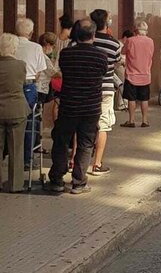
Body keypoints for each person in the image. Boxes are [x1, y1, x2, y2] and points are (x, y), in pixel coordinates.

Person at [48, 18, 108, 194]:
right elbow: (103, 73)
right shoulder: (100, 55)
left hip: (69, 105)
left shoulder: (67, 54)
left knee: (61, 141)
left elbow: (62, 72)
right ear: (93, 35)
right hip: (91, 107)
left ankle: (57, 180)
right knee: (85, 144)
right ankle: (79, 182)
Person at [90, 9, 121, 176]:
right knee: (103, 125)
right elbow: (116, 62)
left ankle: (74, 160)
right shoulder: (114, 44)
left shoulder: (86, 40)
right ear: (106, 22)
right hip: (106, 88)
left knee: (83, 123)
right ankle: (97, 164)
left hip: (87, 88)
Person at [14, 18, 47, 170]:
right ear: (31, 33)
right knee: (30, 122)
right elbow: (39, 72)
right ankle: (26, 159)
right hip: (28, 86)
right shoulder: (36, 48)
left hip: (10, 86)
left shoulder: (9, 45)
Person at [0, 33, 30, 192]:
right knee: (16, 149)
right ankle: (15, 185)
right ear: (14, 48)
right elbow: (23, 83)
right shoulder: (21, 65)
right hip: (17, 110)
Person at [120, 21, 154, 128]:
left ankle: (131, 120)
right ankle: (145, 120)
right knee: (144, 99)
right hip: (145, 74)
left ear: (135, 30)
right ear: (146, 31)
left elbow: (123, 52)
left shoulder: (130, 40)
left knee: (131, 99)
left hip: (131, 74)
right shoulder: (150, 41)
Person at [37, 32, 61, 104]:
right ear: (48, 45)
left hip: (36, 87)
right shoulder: (44, 58)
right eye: (53, 46)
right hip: (40, 88)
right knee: (39, 110)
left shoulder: (37, 54)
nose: (53, 49)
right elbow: (53, 73)